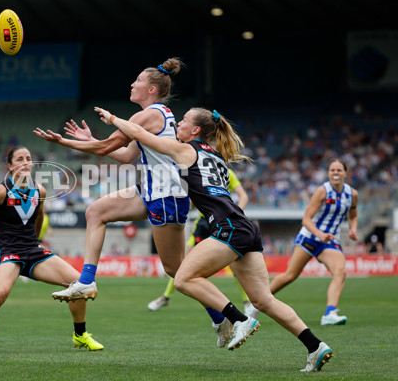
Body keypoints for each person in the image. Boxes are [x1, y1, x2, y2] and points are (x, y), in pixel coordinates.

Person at [96, 106, 333, 372]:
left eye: (183, 121)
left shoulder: (186, 149)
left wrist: (113, 119)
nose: (178, 124)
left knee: (183, 278)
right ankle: (315, 346)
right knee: (264, 300)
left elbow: (140, 133)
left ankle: (237, 318)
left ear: (196, 130)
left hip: (228, 227)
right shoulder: (216, 155)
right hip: (246, 227)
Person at [33, 58, 189, 305]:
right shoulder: (154, 115)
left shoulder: (148, 115)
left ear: (151, 90)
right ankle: (86, 281)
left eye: (138, 80)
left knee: (177, 272)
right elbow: (127, 156)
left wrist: (63, 142)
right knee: (96, 211)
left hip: (166, 195)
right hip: (151, 191)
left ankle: (227, 315)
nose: (132, 84)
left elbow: (106, 147)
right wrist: (88, 140)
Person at [0, 146, 103, 356]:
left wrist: (37, 240)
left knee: (78, 284)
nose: (25, 162)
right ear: (10, 165)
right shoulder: (0, 191)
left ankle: (80, 336)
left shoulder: (39, 190)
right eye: (20, 159)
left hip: (32, 251)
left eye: (29, 158)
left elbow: (39, 215)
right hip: (8, 252)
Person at [247, 159, 358, 326]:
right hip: (309, 237)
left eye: (339, 170)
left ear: (345, 173)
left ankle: (330, 313)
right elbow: (306, 219)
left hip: (329, 241)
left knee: (340, 271)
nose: (336, 173)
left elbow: (353, 214)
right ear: (328, 173)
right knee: (289, 276)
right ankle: (255, 305)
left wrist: (353, 228)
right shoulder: (322, 191)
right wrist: (320, 234)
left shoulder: (352, 194)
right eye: (332, 170)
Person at [148, 168, 251, 314]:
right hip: (203, 223)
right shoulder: (201, 169)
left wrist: (235, 213)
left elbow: (243, 196)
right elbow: (193, 202)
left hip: (223, 222)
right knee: (183, 263)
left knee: (233, 264)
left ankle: (247, 302)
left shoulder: (227, 172)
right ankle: (166, 297)